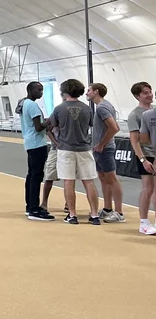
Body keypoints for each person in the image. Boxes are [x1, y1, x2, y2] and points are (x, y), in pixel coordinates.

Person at [48, 79, 101, 225]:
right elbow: (90, 125)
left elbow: (52, 126)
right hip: (84, 149)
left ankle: (72, 214)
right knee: (89, 181)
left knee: (68, 181)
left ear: (64, 91)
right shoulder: (87, 109)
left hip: (65, 149)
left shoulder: (59, 109)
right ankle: (94, 214)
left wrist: (57, 142)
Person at [86, 83, 125, 223]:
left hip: (104, 149)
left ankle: (119, 212)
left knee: (112, 178)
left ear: (96, 91)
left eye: (89, 90)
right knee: (103, 178)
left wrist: (101, 144)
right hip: (100, 149)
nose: (86, 93)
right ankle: (108, 208)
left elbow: (114, 128)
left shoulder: (102, 108)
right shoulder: (103, 106)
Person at [16, 82, 54, 220]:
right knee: (37, 176)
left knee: (31, 175)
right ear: (30, 90)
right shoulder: (32, 105)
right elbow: (38, 127)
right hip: (37, 144)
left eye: (42, 90)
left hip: (30, 143)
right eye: (39, 90)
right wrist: (49, 122)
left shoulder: (24, 103)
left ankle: (30, 206)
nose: (41, 92)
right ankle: (34, 209)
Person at [128, 81, 156, 235]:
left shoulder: (153, 111)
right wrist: (143, 160)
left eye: (150, 91)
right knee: (148, 188)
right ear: (137, 96)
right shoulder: (134, 115)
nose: (149, 95)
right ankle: (144, 222)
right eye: (145, 93)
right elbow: (135, 141)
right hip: (146, 155)